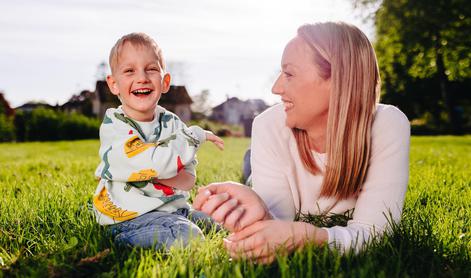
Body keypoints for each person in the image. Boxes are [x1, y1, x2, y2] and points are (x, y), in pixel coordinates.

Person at [193, 22, 410, 264]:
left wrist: (310, 237)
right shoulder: (268, 124)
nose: (276, 88)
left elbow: (374, 235)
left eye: (289, 74)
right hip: (269, 157)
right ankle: (251, 169)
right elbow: (280, 228)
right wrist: (262, 215)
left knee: (252, 165)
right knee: (251, 173)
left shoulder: (387, 124)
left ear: (338, 80)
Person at [92, 32, 224, 250]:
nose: (142, 77)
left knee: (219, 223)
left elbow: (187, 178)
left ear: (165, 82)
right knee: (188, 236)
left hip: (173, 209)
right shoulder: (115, 126)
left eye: (151, 69)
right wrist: (194, 137)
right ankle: (123, 239)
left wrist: (157, 172)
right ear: (114, 84)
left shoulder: (171, 122)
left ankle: (180, 224)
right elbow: (150, 163)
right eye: (129, 71)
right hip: (131, 217)